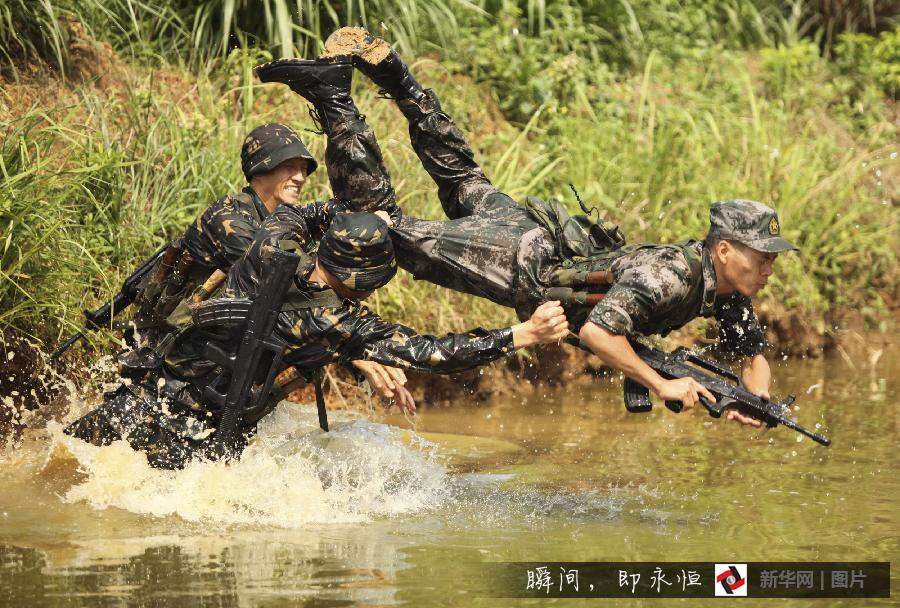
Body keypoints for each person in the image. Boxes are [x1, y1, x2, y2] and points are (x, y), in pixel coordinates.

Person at [254, 28, 802, 427]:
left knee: (460, 173)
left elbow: (752, 355)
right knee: (382, 228)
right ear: (725, 249)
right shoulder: (669, 277)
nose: (770, 266)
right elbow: (596, 333)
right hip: (516, 263)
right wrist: (661, 383)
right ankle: (333, 95)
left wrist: (751, 401)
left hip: (530, 237)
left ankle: (397, 78)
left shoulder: (727, 289)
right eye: (763, 255)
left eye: (773, 257)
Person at [127, 122, 409, 403]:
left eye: (303, 169)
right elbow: (292, 288)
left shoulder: (282, 221)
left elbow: (344, 223)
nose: (299, 177)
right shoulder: (229, 220)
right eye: (289, 166)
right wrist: (357, 353)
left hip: (221, 364)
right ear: (261, 167)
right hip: (169, 359)